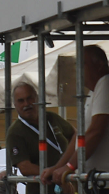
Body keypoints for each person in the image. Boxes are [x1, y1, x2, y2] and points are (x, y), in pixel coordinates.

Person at [43, 45, 109, 185]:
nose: (78, 69)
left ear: (99, 65)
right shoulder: (94, 91)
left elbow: (96, 131)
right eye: (76, 65)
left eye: (82, 64)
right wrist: (59, 167)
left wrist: (70, 166)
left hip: (103, 179)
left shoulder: (105, 83)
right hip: (96, 180)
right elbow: (80, 135)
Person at [6, 79, 73, 194]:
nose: (26, 104)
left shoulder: (51, 118)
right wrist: (55, 174)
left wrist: (69, 166)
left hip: (68, 183)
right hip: (42, 189)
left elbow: (76, 135)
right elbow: (25, 167)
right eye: (21, 101)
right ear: (15, 105)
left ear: (37, 98)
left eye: (30, 98)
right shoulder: (15, 131)